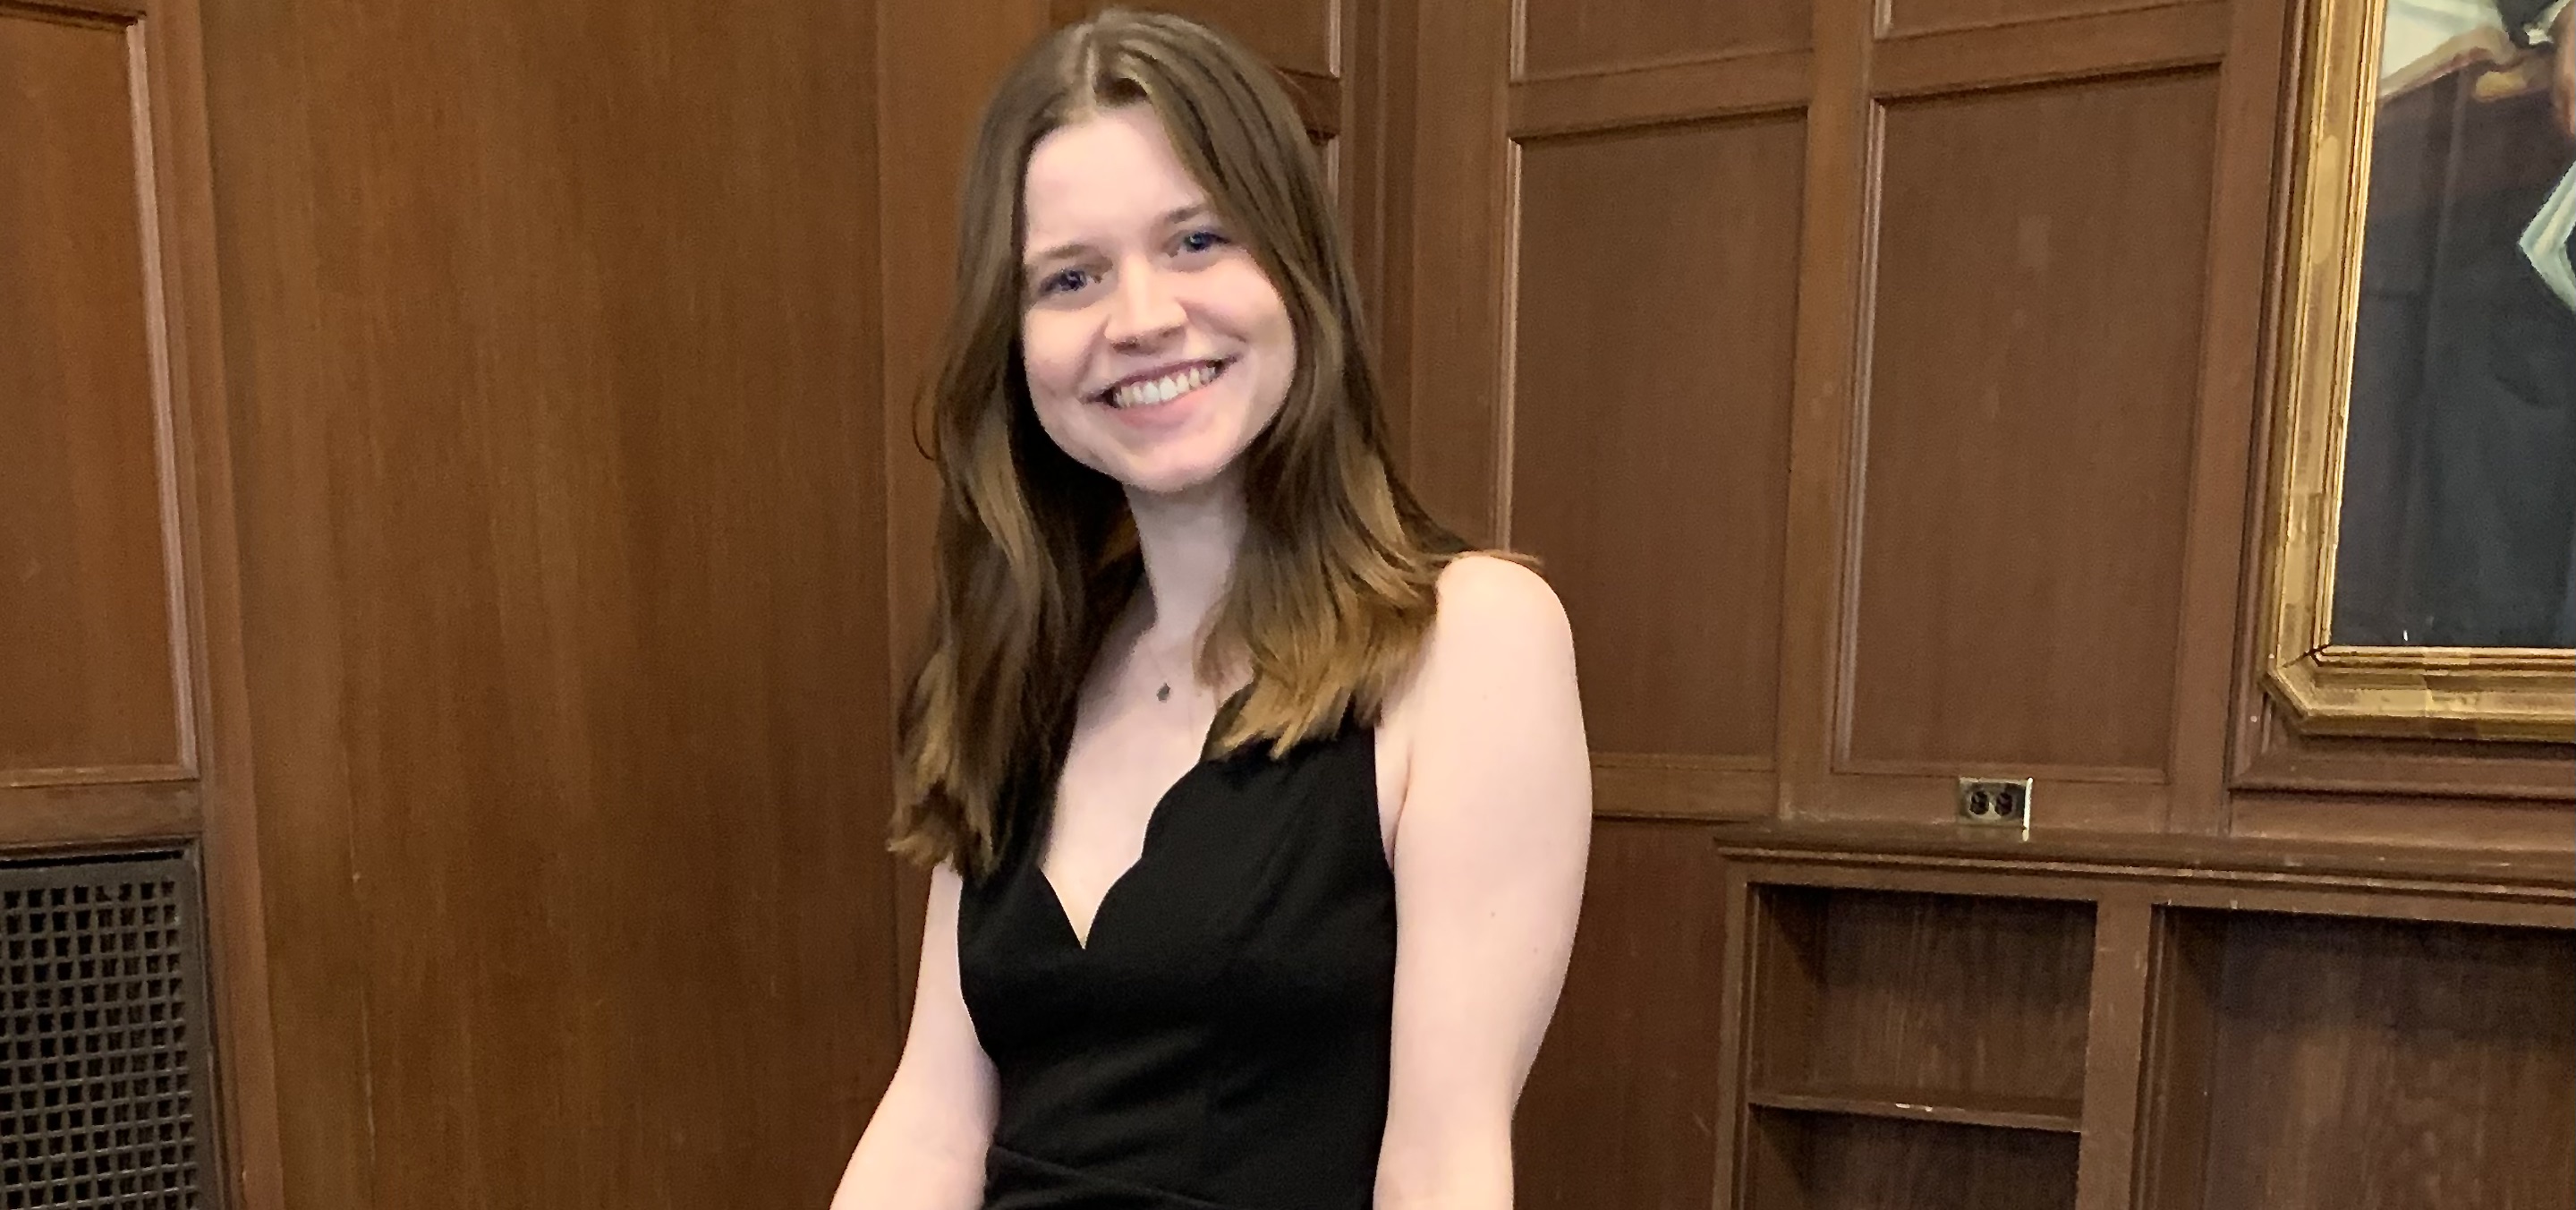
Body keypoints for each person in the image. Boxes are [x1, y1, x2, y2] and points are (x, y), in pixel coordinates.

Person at [829, 10, 1592, 1209]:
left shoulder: (1476, 640)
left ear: (1294, 266)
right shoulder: (1028, 658)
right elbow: (930, 1123)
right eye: (1070, 277)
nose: (1138, 317)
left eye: (1195, 241)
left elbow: (1443, 1166)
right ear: (1014, 338)